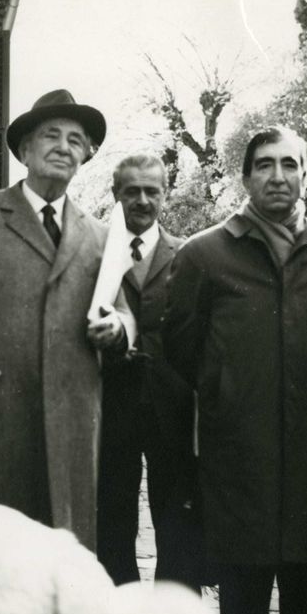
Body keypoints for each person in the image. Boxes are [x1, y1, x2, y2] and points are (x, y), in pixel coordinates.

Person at [163, 125, 307, 614]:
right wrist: (227, 394)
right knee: (241, 572)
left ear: (306, 175)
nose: (277, 177)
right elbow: (181, 346)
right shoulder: (204, 254)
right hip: (236, 446)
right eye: (264, 166)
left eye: (289, 165)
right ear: (245, 178)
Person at [0, 88, 133, 551]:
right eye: (51, 135)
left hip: (72, 425)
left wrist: (117, 329)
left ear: (86, 156)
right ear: (24, 150)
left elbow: (123, 313)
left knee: (62, 560)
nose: (63, 146)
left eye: (76, 140)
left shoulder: (99, 235)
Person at [96, 154, 202, 589]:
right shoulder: (94, 250)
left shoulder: (190, 255)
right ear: (115, 194)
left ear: (165, 193)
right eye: (131, 191)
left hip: (172, 410)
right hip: (110, 407)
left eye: (151, 191)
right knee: (112, 523)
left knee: (177, 526)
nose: (141, 200)